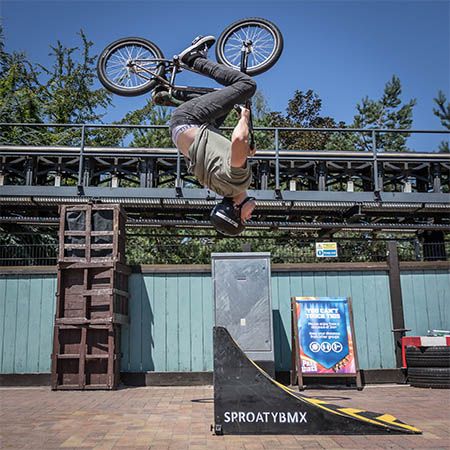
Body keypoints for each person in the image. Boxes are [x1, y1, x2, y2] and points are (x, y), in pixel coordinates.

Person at [168, 35, 257, 236]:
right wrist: (244, 153)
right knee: (227, 101)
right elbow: (215, 154)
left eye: (245, 219)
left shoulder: (238, 182)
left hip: (190, 119)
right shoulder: (218, 188)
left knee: (246, 86)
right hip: (183, 129)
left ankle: (193, 58)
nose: (251, 217)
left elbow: (238, 140)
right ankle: (173, 94)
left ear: (234, 209)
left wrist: (244, 118)